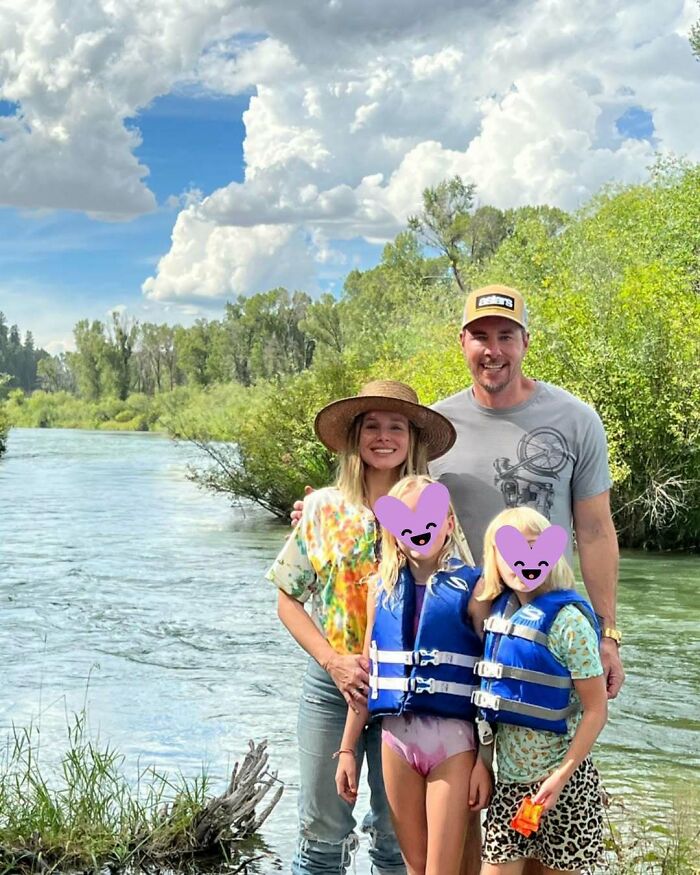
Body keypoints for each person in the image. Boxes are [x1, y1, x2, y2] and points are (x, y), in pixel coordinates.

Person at [267, 380, 458, 875]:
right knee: (321, 832)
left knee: (396, 837)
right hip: (332, 687)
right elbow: (288, 599)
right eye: (371, 426)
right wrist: (332, 662)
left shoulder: (435, 510)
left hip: (407, 691)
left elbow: (459, 592)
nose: (383, 437)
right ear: (355, 437)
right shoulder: (323, 509)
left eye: (396, 427)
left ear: (413, 440)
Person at [335, 475, 492, 875]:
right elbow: (369, 676)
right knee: (415, 867)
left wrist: (485, 760)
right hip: (396, 742)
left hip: (454, 744)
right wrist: (348, 749)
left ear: (449, 524)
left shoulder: (476, 590)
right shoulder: (381, 590)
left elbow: (491, 681)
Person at [473, 506, 608, 874]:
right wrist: (483, 763)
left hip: (567, 787)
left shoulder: (570, 623)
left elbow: (596, 710)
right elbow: (490, 704)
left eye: (535, 547)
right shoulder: (498, 619)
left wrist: (560, 777)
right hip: (510, 786)